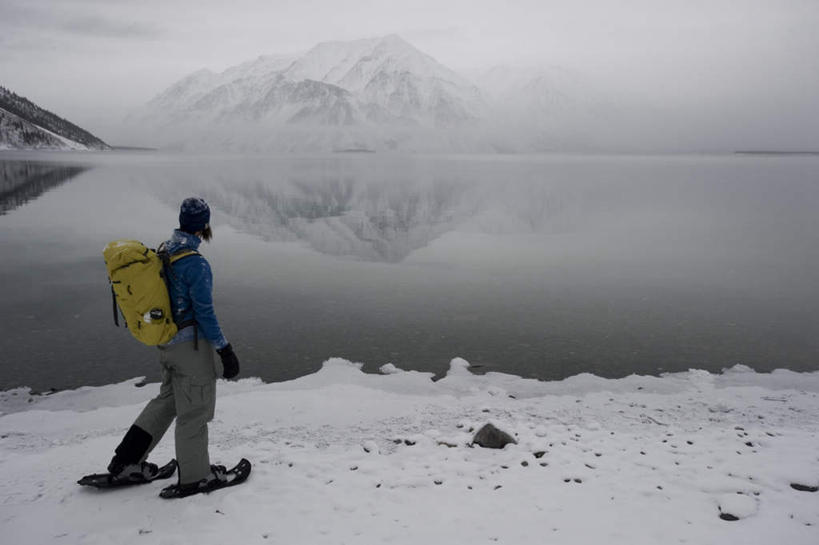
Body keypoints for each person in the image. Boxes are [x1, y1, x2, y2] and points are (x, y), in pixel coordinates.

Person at [106, 197, 241, 498]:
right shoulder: (195, 264)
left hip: (165, 343)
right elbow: (204, 314)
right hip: (190, 350)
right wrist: (224, 349)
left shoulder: (164, 251)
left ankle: (126, 461)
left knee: (167, 402)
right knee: (195, 412)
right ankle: (196, 477)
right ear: (205, 226)